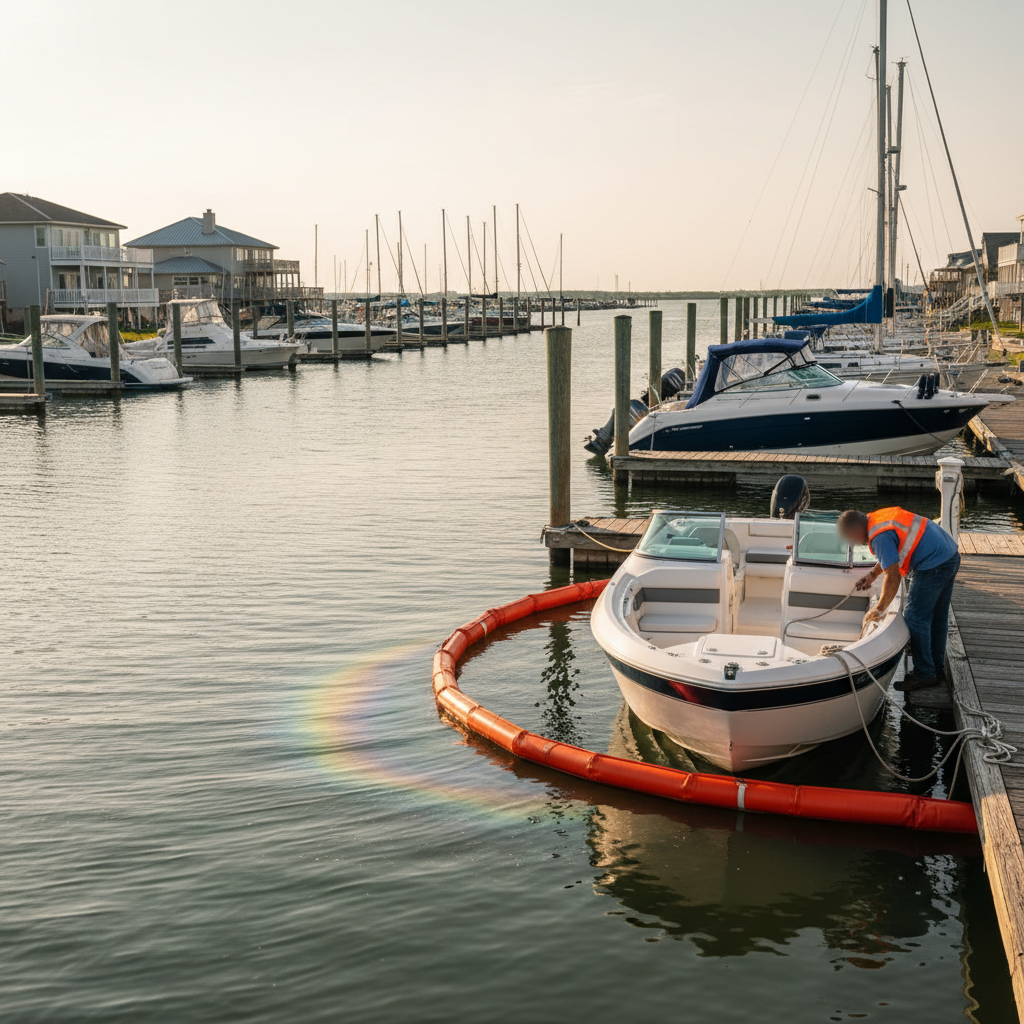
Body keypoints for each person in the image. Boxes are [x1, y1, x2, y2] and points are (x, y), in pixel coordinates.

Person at [836, 506, 960, 692]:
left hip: (933, 564)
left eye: (850, 537)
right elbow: (891, 555)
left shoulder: (878, 535)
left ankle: (925, 673)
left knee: (915, 619)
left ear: (855, 529)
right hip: (949, 555)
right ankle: (936, 669)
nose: (852, 542)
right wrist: (872, 575)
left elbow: (893, 576)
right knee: (937, 619)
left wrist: (879, 609)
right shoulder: (878, 519)